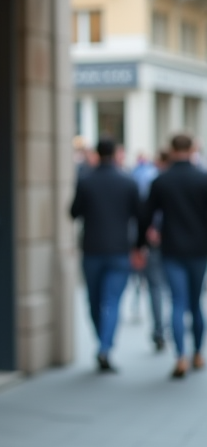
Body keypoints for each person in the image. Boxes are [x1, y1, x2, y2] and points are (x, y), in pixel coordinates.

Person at [69, 138, 142, 373]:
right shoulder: (128, 181)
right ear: (117, 153)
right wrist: (138, 246)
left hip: (92, 249)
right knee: (112, 301)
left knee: (94, 301)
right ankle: (105, 347)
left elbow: (73, 212)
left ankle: (102, 342)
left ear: (97, 154)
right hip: (119, 250)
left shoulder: (86, 180)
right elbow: (140, 216)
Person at [138, 133, 207, 378]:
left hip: (172, 250)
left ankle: (180, 357)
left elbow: (145, 217)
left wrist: (140, 244)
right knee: (195, 303)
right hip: (199, 251)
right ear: (192, 149)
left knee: (177, 302)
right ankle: (198, 352)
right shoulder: (202, 178)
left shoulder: (161, 181)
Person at [132, 151, 167, 351]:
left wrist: (140, 243)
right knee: (174, 293)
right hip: (184, 247)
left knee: (156, 288)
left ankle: (160, 330)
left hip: (157, 242)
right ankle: (166, 330)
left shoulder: (156, 182)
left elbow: (145, 215)